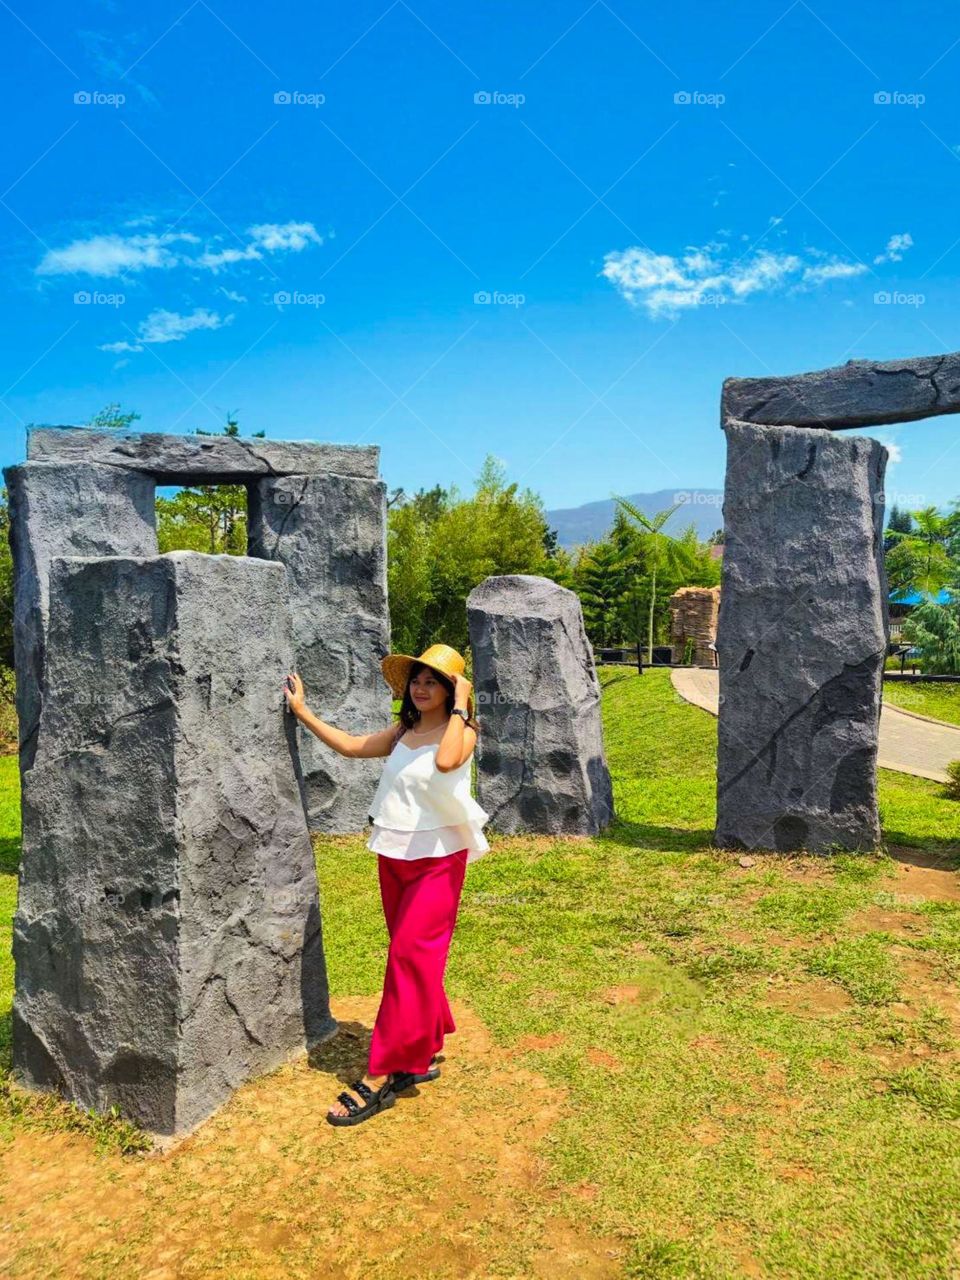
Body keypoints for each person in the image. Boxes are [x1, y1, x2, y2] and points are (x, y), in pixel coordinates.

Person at [282, 642, 490, 1128]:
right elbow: (353, 746)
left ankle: (381, 1072)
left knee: (408, 957)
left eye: (432, 681)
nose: (421, 688)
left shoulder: (463, 732)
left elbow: (445, 764)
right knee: (408, 953)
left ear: (451, 689)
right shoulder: (405, 730)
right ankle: (418, 1053)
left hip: (439, 859)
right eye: (416, 680)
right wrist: (302, 710)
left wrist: (462, 704)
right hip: (394, 854)